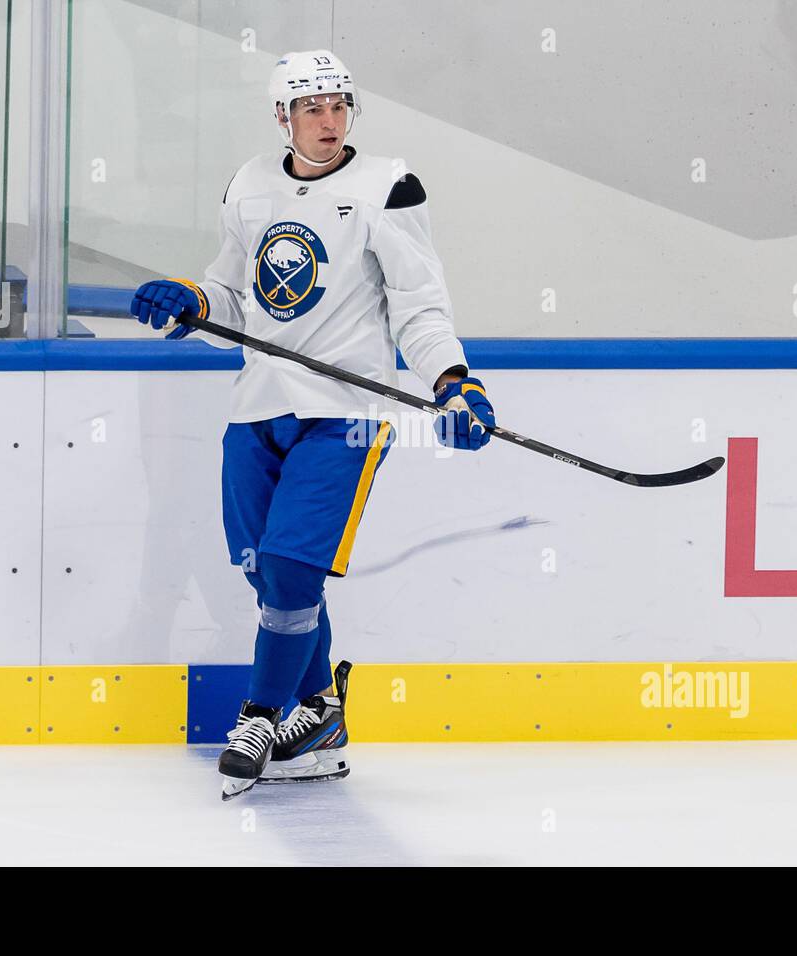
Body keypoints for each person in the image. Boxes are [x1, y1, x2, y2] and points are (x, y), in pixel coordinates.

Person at [131, 50, 495, 800]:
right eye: (312, 109)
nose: (328, 123)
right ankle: (321, 716)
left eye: (338, 107)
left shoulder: (387, 187)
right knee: (270, 573)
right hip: (257, 409)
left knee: (295, 568)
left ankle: (261, 716)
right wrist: (193, 302)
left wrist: (453, 381)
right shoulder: (248, 186)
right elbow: (237, 302)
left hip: (346, 417)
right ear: (282, 118)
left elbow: (419, 307)